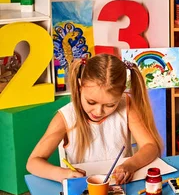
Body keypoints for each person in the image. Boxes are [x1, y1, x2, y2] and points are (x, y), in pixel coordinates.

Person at [27, 54, 162, 184]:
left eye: (110, 105)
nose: (98, 112)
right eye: (91, 102)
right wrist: (62, 174)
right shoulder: (66, 117)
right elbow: (33, 162)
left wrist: (130, 165)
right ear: (80, 87)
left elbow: (150, 146)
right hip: (84, 189)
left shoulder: (126, 105)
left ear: (121, 93)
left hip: (121, 187)